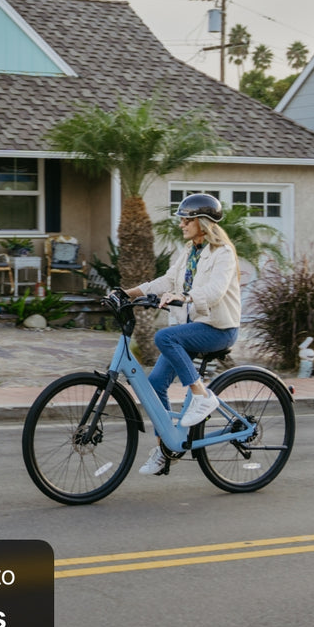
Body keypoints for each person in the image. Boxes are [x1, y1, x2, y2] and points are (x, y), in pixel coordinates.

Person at [122, 193, 241, 476]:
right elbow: (167, 280)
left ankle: (202, 396)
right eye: (181, 219)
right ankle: (167, 448)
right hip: (193, 329)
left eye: (187, 219)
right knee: (154, 384)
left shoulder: (223, 252)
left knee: (165, 337)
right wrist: (130, 292)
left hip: (219, 329)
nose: (182, 224)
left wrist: (184, 298)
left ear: (203, 222)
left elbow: (214, 292)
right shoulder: (188, 252)